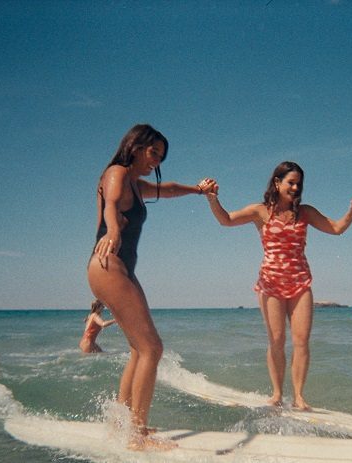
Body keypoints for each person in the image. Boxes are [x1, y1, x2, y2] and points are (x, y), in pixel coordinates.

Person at [87, 123, 215, 450]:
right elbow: (112, 204)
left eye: (161, 156)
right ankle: (137, 435)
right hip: (109, 265)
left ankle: (122, 423)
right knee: (152, 349)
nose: (156, 160)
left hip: (121, 270)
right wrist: (112, 231)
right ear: (135, 146)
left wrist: (197, 191)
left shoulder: (136, 183)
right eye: (153, 152)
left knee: (139, 349)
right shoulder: (116, 173)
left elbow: (168, 189)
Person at [203, 161, 352, 411]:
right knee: (277, 340)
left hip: (300, 282)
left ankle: (299, 396)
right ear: (277, 183)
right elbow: (226, 220)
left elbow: (336, 229)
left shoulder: (306, 213)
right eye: (291, 182)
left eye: (299, 183)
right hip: (270, 284)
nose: (296, 187)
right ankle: (277, 394)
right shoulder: (260, 212)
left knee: (301, 341)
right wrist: (213, 199)